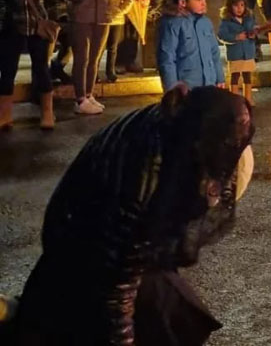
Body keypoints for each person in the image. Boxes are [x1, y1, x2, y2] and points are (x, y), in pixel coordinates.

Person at [6, 85, 254, 345]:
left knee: (173, 307)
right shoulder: (143, 182)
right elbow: (118, 289)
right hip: (84, 251)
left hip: (92, 236)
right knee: (167, 314)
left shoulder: (177, 124)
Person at [64, 0, 133, 115]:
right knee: (82, 59)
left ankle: (89, 94)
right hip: (81, 18)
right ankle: (80, 99)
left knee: (94, 59)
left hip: (103, 17)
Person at [0, 0, 57, 130]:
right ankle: (5, 114)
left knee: (41, 68)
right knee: (7, 70)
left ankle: (47, 113)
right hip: (12, 23)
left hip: (37, 23)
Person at [157, 0, 224, 91]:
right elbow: (167, 58)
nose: (203, 3)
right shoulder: (172, 23)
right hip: (187, 87)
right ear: (182, 2)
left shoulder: (205, 23)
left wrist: (219, 78)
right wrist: (172, 89)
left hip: (209, 85)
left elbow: (214, 53)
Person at [218, 0, 258, 106]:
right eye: (236, 5)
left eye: (242, 5)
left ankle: (248, 98)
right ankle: (234, 100)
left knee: (247, 75)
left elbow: (254, 28)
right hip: (235, 53)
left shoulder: (249, 18)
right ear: (229, 7)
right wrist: (236, 37)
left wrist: (253, 33)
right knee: (235, 76)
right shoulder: (226, 21)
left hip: (248, 53)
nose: (239, 8)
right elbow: (221, 35)